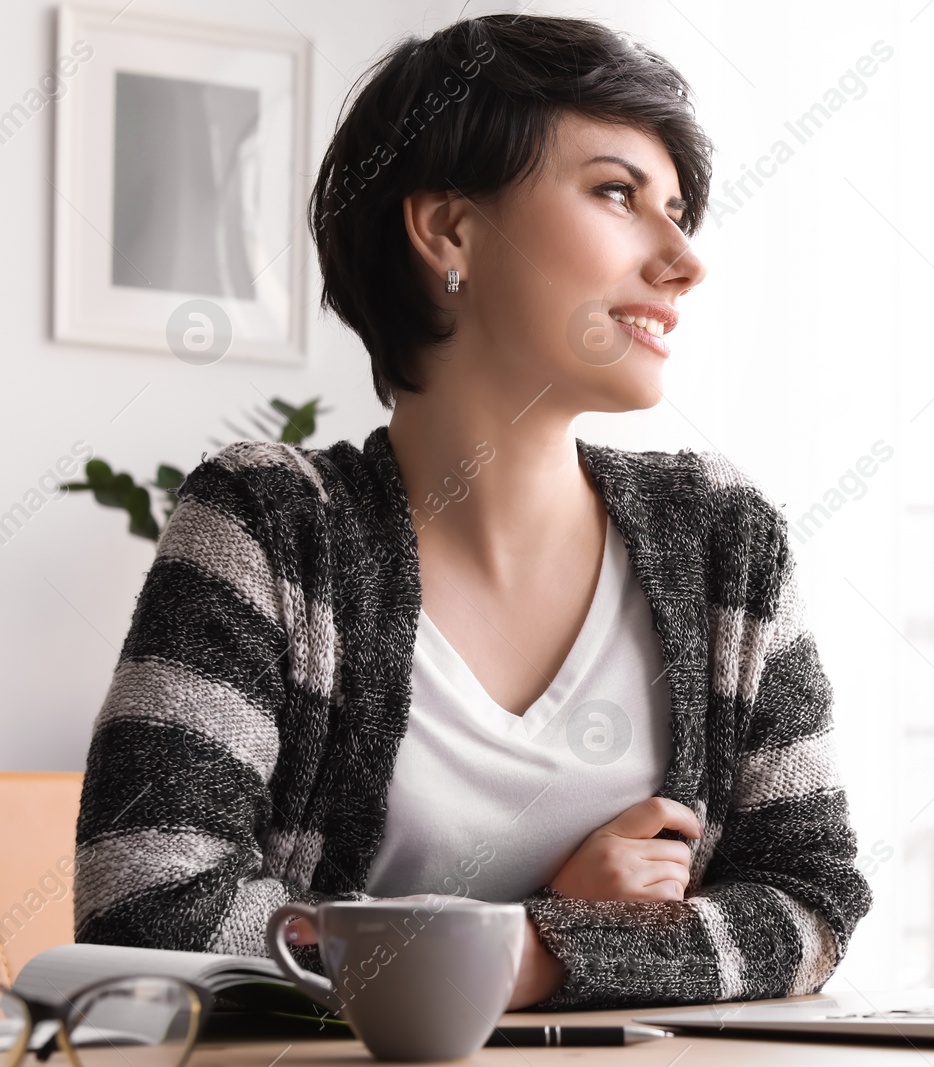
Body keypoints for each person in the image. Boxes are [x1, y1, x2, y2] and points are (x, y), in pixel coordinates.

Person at [72, 13, 871, 1010]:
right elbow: (147, 907)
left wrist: (497, 949)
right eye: (618, 193)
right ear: (449, 230)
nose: (682, 259)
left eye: (678, 211)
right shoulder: (271, 529)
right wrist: (541, 934)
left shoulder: (725, 542)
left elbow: (811, 900)